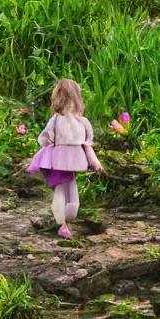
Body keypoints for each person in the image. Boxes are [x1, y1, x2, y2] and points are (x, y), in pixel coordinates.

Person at [26, 78, 103, 239]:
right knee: (63, 194)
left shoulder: (80, 122)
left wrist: (95, 163)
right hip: (58, 162)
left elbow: (46, 139)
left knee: (71, 201)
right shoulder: (70, 121)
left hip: (66, 162)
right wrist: (95, 163)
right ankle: (61, 224)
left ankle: (61, 222)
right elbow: (48, 139)